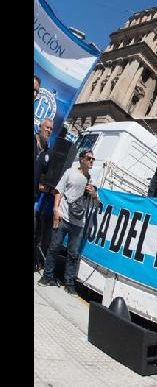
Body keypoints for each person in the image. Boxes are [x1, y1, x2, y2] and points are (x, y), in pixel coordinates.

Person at [38, 150, 98, 295]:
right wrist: (56, 209)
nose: (91, 161)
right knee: (54, 247)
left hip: (78, 222)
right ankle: (47, 276)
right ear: (82, 159)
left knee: (73, 253)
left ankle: (69, 283)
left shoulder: (91, 179)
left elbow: (96, 204)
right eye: (89, 158)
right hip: (64, 216)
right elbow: (59, 190)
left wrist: (94, 195)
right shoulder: (70, 172)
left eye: (93, 159)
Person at [34, 118, 53, 202]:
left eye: (51, 129)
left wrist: (43, 185)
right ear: (40, 127)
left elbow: (45, 174)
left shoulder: (48, 152)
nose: (49, 131)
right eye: (47, 127)